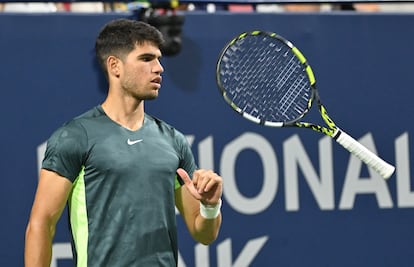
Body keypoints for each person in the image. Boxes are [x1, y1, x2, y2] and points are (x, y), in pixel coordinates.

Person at [24, 18, 223, 267]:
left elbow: (203, 233)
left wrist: (210, 206)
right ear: (115, 66)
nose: (159, 68)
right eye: (146, 59)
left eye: (159, 59)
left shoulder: (173, 140)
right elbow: (41, 223)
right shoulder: (76, 136)